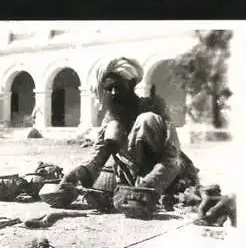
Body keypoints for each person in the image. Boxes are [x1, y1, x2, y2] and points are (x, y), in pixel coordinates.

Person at [59, 57, 199, 214]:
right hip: (135, 180)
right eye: (108, 89)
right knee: (113, 128)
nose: (113, 93)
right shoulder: (112, 116)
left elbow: (171, 157)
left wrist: (146, 186)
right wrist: (80, 172)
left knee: (146, 119)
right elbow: (99, 154)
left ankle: (154, 193)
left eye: (118, 87)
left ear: (131, 84)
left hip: (169, 175)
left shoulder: (154, 106)